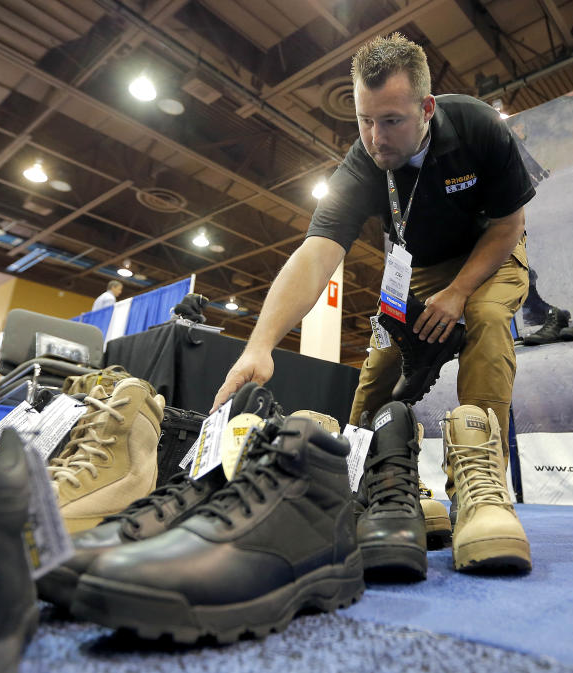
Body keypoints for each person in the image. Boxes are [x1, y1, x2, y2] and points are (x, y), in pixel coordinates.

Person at [211, 33, 535, 572]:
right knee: (380, 361)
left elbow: (509, 224)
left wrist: (457, 293)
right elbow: (316, 255)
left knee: (484, 318)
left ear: (426, 108)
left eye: (390, 121)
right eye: (363, 120)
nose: (374, 137)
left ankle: (482, 492)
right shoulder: (364, 160)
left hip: (490, 253)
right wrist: (260, 345)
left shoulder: (476, 127)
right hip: (420, 269)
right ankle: (366, 475)